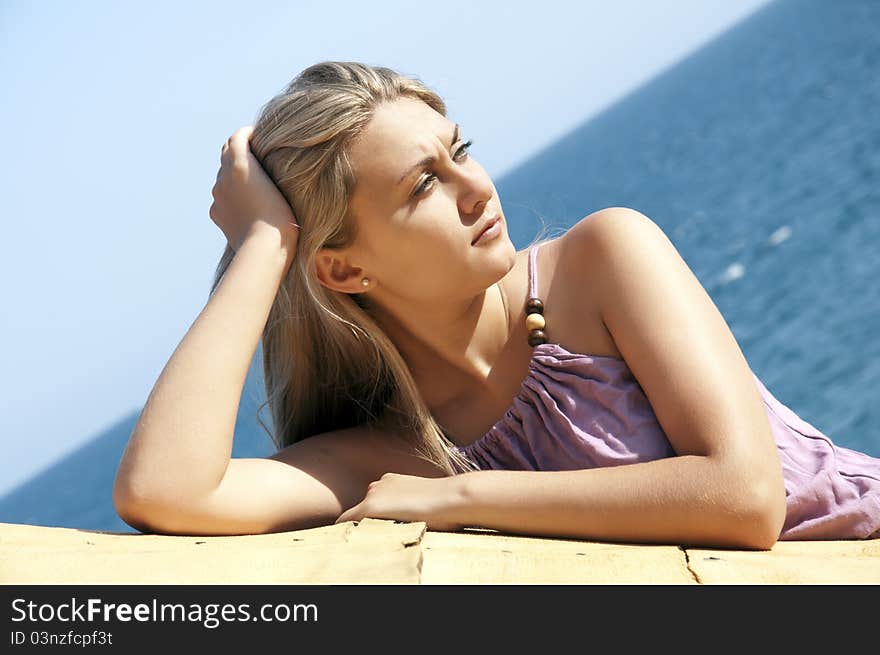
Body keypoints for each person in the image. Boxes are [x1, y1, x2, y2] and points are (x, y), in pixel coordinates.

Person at [113, 61, 880, 548]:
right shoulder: (392, 451)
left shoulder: (603, 258)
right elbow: (165, 490)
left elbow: (744, 498)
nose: (476, 188)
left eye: (461, 151)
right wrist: (263, 247)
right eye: (424, 185)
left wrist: (459, 497)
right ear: (342, 269)